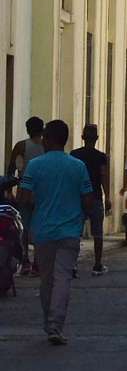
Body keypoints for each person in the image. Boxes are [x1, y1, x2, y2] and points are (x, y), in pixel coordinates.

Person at [18, 119, 95, 346]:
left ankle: (49, 322)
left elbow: (24, 197)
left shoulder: (35, 166)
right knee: (63, 278)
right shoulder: (77, 166)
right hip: (70, 231)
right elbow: (88, 198)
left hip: (43, 231)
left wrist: (37, 201)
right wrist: (82, 214)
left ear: (48, 139)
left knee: (47, 280)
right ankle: (55, 325)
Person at [71, 124, 111, 276]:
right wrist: (107, 196)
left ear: (82, 137)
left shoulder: (74, 155)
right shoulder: (101, 157)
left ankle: (73, 265)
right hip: (95, 196)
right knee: (98, 233)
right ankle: (98, 264)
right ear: (97, 138)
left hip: (77, 198)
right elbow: (103, 177)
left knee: (75, 232)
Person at [7, 116, 45, 275]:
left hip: (24, 191)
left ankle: (25, 260)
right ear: (42, 129)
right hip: (43, 191)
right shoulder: (47, 146)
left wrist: (10, 189)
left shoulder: (21, 146)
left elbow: (11, 170)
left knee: (25, 226)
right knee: (40, 227)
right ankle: (37, 262)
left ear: (28, 129)